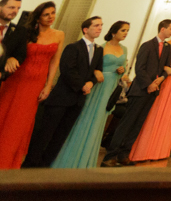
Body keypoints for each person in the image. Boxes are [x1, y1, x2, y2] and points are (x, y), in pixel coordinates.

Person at [23, 16, 105, 167]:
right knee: (45, 133)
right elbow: (67, 70)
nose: (100, 28)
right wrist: (82, 85)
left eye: (101, 25)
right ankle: (30, 164)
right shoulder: (73, 47)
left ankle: (45, 165)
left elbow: (97, 71)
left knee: (61, 135)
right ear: (85, 29)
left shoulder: (99, 50)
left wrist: (91, 82)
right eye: (96, 25)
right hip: (61, 97)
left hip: (78, 99)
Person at [52, 21, 128, 169]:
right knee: (86, 117)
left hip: (111, 87)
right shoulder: (102, 47)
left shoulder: (124, 49)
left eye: (127, 31)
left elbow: (123, 67)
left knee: (99, 121)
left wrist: (122, 70)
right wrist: (96, 72)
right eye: (123, 30)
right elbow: (91, 66)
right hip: (99, 85)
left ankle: (87, 158)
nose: (125, 33)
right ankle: (71, 158)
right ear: (114, 32)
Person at [102, 19, 171, 167]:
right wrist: (149, 84)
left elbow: (166, 68)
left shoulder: (168, 47)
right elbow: (139, 68)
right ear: (162, 29)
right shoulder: (147, 45)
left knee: (138, 124)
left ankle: (124, 155)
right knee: (127, 123)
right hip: (140, 90)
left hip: (154, 90)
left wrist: (161, 79)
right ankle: (110, 156)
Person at [0, 1, 64, 169]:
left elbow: (55, 62)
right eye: (46, 14)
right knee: (4, 116)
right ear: (38, 17)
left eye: (53, 13)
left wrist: (48, 85)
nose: (50, 17)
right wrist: (10, 59)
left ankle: (7, 162)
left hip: (36, 84)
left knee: (20, 123)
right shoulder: (25, 32)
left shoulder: (59, 35)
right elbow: (9, 51)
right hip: (17, 79)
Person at [130, 17, 171, 162]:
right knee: (157, 110)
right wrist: (166, 69)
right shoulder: (170, 43)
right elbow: (162, 62)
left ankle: (161, 150)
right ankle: (146, 149)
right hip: (168, 78)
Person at [0, 0, 27, 85]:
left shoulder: (20, 31)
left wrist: (11, 59)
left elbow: (20, 55)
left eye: (18, 8)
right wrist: (7, 58)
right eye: (11, 7)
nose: (15, 11)